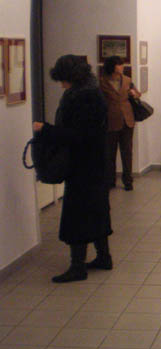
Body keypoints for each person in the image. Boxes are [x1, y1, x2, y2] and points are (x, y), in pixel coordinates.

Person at [32, 55, 113, 282]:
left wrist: (45, 129)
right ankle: (104, 257)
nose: (61, 85)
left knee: (77, 214)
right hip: (96, 163)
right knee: (97, 210)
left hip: (82, 165)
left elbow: (77, 135)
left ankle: (78, 266)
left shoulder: (81, 97)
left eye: (62, 80)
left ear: (70, 77)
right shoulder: (93, 92)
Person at [99, 55, 140, 191]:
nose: (122, 67)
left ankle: (128, 180)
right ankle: (110, 179)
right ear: (112, 66)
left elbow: (138, 94)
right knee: (110, 152)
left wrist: (134, 94)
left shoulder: (127, 80)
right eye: (119, 64)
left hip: (127, 119)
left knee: (127, 151)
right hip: (110, 120)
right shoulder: (102, 82)